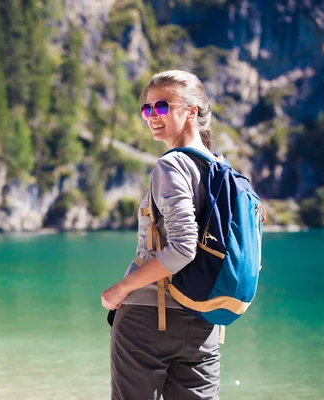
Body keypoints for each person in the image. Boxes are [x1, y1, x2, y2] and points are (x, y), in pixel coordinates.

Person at [101, 70, 222, 400]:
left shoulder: (172, 166)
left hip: (148, 317)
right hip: (205, 319)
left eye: (163, 106)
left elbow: (183, 248)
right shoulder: (223, 171)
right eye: (147, 109)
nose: (153, 116)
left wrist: (121, 288)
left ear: (191, 111)